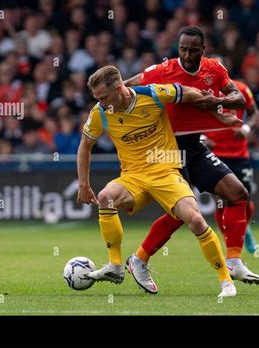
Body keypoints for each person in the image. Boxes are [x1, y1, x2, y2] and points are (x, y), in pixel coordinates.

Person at [124, 26, 259, 293]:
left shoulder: (215, 70)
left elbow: (238, 99)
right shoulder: (162, 71)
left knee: (237, 193)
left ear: (203, 49)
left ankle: (233, 260)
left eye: (193, 50)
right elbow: (128, 86)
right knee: (183, 213)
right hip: (167, 150)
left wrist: (214, 103)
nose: (187, 55)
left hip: (195, 146)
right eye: (183, 49)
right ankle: (138, 260)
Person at [77, 65, 237, 297]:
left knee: (195, 220)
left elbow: (190, 93)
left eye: (104, 97)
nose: (100, 103)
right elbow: (85, 145)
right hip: (133, 177)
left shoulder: (152, 94)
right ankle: (115, 266)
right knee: (105, 197)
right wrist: (83, 184)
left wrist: (217, 111)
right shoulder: (100, 113)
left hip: (166, 172)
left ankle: (226, 281)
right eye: (97, 98)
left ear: (120, 89)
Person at [202, 56, 259, 255]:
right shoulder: (203, 92)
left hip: (239, 154)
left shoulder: (241, 89)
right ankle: (230, 240)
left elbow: (254, 113)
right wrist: (201, 137)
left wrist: (246, 128)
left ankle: (245, 228)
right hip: (213, 154)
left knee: (246, 198)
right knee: (220, 200)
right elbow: (188, 119)